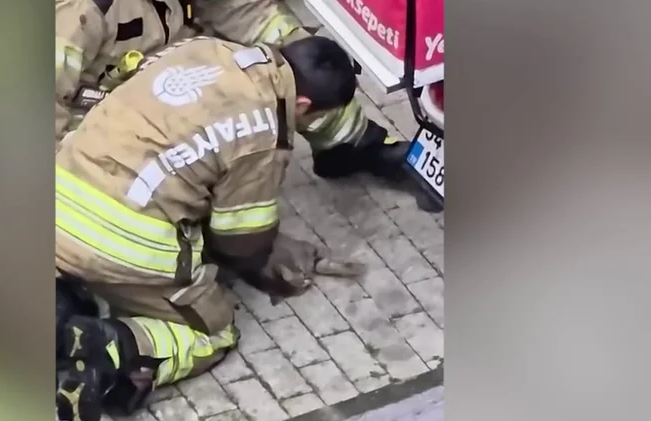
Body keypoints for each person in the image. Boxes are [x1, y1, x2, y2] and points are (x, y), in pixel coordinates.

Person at [54, 35, 366, 421]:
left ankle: (58, 308)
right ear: (302, 104)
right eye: (314, 118)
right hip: (118, 243)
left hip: (55, 193)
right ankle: (107, 350)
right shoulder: (266, 131)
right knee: (214, 333)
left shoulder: (203, 47)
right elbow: (239, 240)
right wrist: (271, 263)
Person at [55, 0, 421, 195]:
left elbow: (244, 11)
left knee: (302, 65)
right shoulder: (76, 12)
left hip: (172, 69)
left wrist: (296, 53)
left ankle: (350, 144)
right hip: (92, 117)